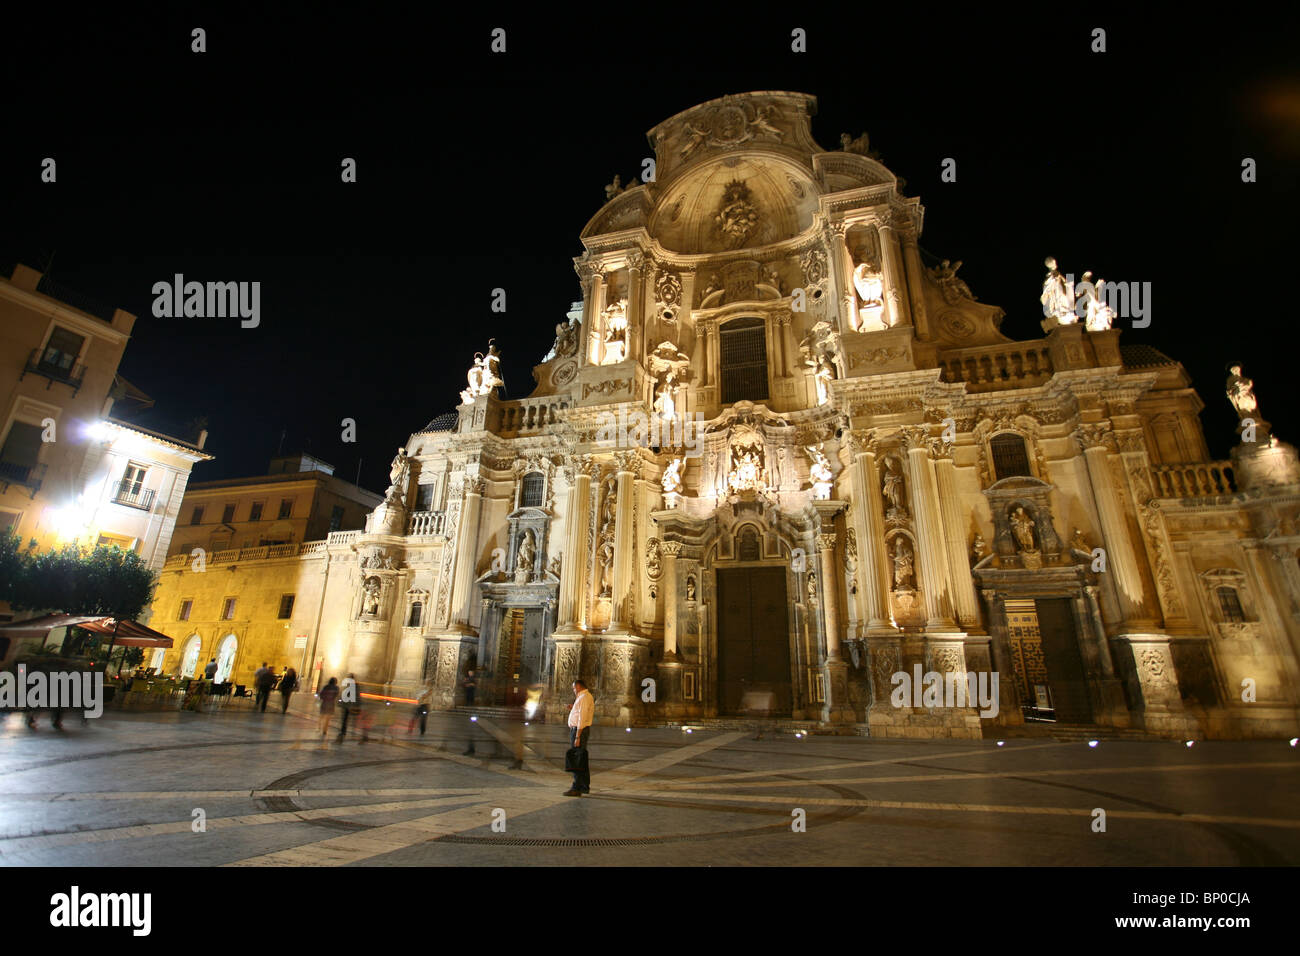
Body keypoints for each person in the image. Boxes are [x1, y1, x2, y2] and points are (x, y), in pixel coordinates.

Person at [564, 679, 594, 797]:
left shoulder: (584, 697)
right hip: (578, 730)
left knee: (576, 759)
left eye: (573, 688)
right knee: (581, 758)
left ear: (579, 686)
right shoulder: (583, 697)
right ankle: (584, 786)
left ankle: (576, 787)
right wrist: (573, 708)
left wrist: (577, 736)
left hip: (579, 731)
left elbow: (582, 717)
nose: (573, 690)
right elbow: (580, 712)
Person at [317, 678, 340, 747]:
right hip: (331, 704)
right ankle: (325, 730)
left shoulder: (326, 687)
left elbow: (321, 695)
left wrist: (323, 698)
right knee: (328, 718)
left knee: (322, 716)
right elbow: (337, 695)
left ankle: (319, 727)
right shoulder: (336, 688)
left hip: (324, 703)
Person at [338, 674, 360, 739]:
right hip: (349, 705)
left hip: (348, 705)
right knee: (350, 720)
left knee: (346, 719)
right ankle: (348, 733)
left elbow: (345, 695)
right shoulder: (354, 685)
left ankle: (343, 732)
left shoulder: (349, 685)